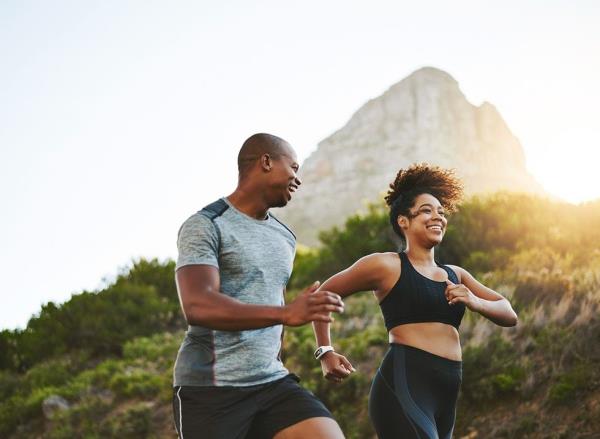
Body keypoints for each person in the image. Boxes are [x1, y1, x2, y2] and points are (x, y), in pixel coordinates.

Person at [312, 164, 518, 439]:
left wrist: (475, 302)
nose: (437, 217)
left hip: (446, 395)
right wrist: (325, 351)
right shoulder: (385, 265)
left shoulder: (455, 274)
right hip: (403, 388)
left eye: (441, 212)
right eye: (426, 210)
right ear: (403, 220)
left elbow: (508, 313)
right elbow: (322, 297)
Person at [173, 133, 346, 439]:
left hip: (272, 383)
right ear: (266, 162)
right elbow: (198, 305)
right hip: (211, 390)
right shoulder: (206, 224)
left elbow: (275, 300)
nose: (298, 179)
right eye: (293, 167)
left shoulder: (284, 237)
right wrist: (285, 314)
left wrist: (317, 349)